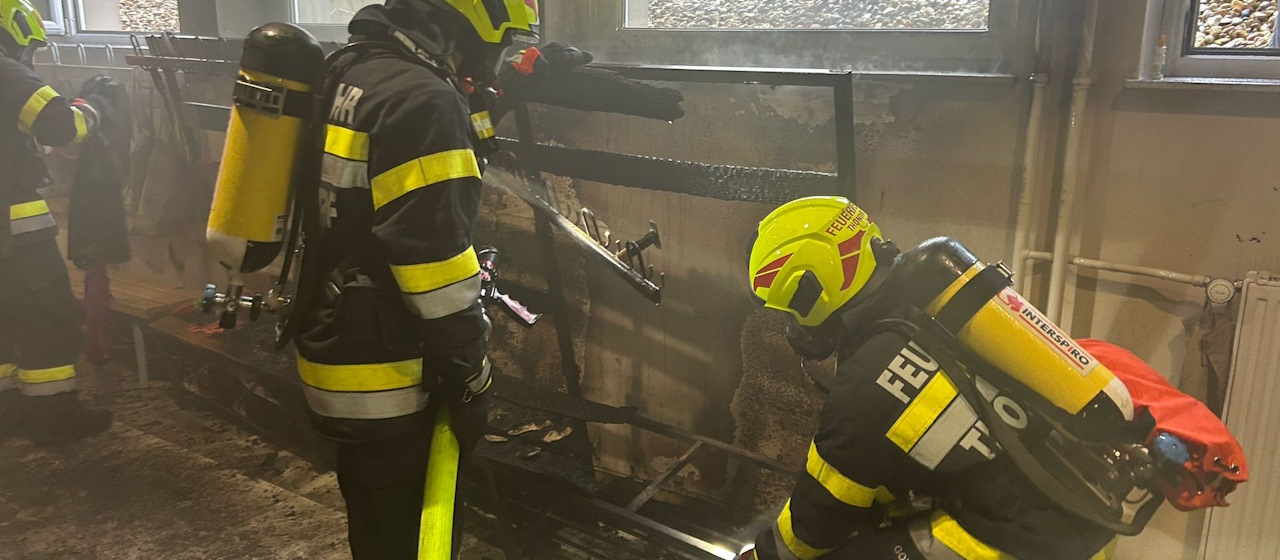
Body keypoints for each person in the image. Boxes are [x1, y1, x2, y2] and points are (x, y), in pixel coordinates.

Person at [738, 197, 1168, 560]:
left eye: (790, 312)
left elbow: (818, 520)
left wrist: (761, 556)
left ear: (813, 291)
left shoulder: (863, 384)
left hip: (1019, 544)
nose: (793, 328)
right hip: (1086, 520)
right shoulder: (932, 305)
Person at [289, 1, 538, 558]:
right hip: (394, 372)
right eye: (499, 46)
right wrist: (472, 375)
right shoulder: (424, 100)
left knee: (375, 524)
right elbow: (434, 270)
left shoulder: (354, 69)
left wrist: (511, 88)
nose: (498, 61)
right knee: (413, 535)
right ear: (462, 26)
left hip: (337, 346)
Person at [0, 0, 112, 443]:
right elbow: (60, 126)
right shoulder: (7, 72)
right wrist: (95, 106)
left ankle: (7, 414)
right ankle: (54, 419)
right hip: (15, 232)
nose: (27, 57)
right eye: (27, 48)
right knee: (47, 316)